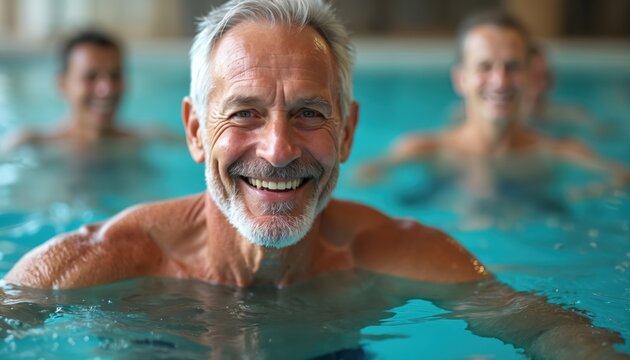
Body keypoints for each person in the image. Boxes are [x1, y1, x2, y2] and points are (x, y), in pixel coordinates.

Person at [3, 1, 626, 358]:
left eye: (309, 113)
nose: (277, 150)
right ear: (195, 132)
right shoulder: (105, 261)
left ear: (349, 132)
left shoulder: (396, 252)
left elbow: (547, 326)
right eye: (244, 112)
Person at [356, 10, 628, 202]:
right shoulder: (423, 149)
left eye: (512, 67)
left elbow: (621, 178)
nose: (500, 81)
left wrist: (583, 195)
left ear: (531, 77)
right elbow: (365, 175)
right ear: (460, 79)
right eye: (485, 67)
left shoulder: (558, 152)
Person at [1, 30, 172, 152]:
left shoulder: (150, 140)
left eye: (115, 75)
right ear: (62, 84)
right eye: (91, 77)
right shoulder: (30, 145)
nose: (106, 89)